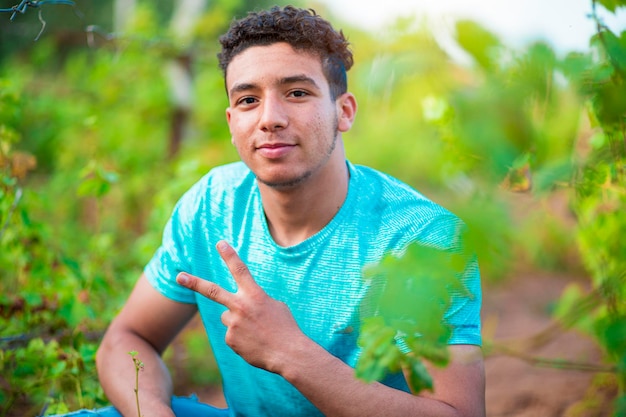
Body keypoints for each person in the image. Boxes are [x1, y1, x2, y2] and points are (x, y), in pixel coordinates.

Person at [60, 5, 485, 416]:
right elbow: (127, 338)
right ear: (231, 122)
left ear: (344, 111)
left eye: (297, 93)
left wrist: (290, 353)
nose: (270, 118)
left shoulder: (421, 237)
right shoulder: (213, 205)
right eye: (248, 100)